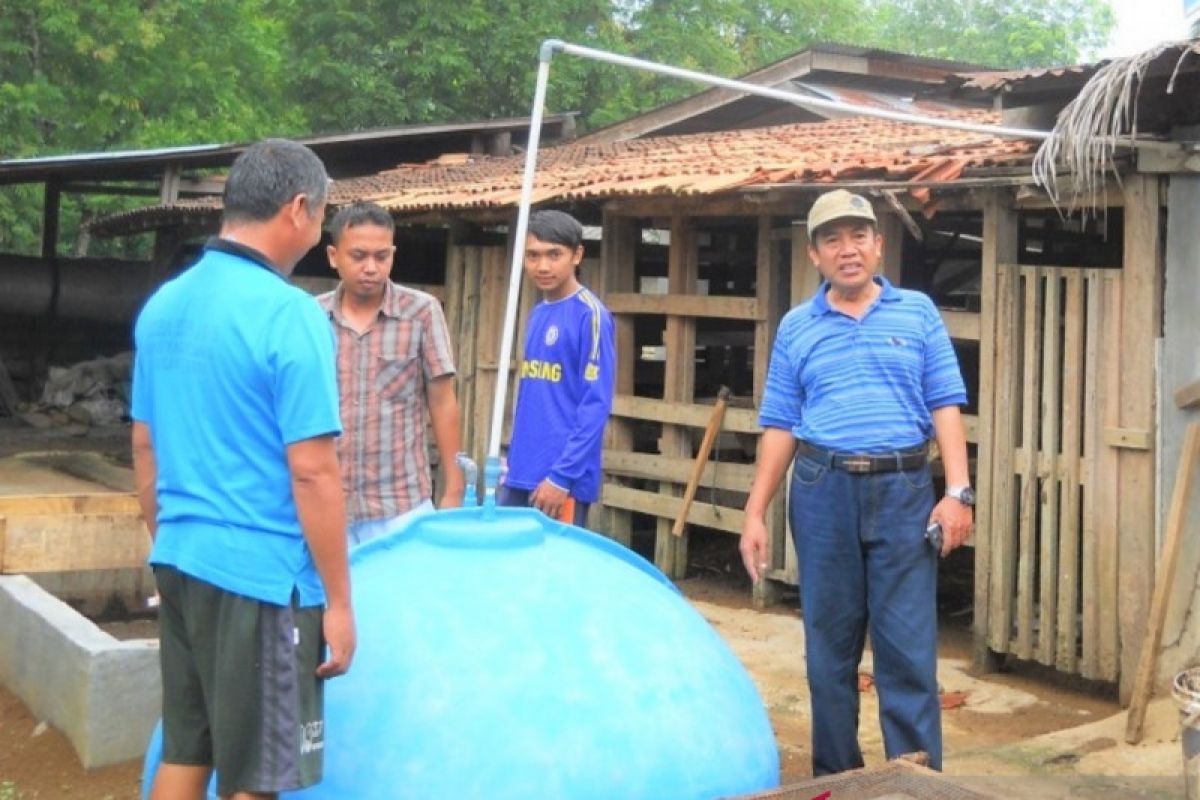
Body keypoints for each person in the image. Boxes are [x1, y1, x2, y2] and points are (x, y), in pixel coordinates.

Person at [131, 139, 355, 800]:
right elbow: (313, 471)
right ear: (297, 209)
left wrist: (167, 539)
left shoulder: (164, 304)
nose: (319, 233)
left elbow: (145, 446)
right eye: (322, 218)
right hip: (261, 578)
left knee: (186, 746)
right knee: (256, 776)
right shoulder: (290, 314)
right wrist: (339, 602)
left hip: (179, 556)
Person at [738, 189, 973, 776]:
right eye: (832, 240)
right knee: (829, 652)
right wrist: (754, 511)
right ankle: (838, 780)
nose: (848, 250)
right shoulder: (797, 326)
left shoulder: (918, 312)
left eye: (858, 236)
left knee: (908, 652)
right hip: (823, 491)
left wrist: (958, 492)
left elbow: (946, 404)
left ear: (878, 244)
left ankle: (913, 781)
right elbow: (780, 424)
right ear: (815, 254)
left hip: (904, 492)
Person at [318, 202, 464, 544]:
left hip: (401, 505)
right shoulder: (311, 317)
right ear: (333, 255)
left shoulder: (422, 313)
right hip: (325, 504)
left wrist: (453, 491)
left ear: (393, 255)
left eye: (381, 256)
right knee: (326, 599)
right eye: (358, 256)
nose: (371, 267)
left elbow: (443, 402)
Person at [499, 210, 615, 527]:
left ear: (577, 255)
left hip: (559, 482)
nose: (543, 266)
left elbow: (595, 405)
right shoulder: (538, 313)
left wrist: (561, 478)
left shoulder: (590, 316)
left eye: (554, 254)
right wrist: (511, 462)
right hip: (521, 472)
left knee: (551, 574)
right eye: (533, 256)